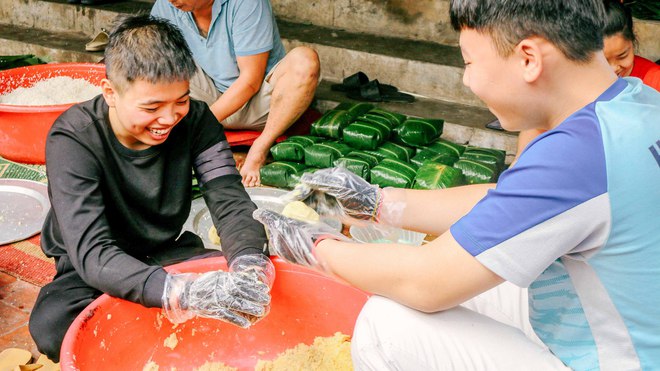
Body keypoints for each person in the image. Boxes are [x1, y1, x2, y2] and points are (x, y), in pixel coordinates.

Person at [253, 0, 660, 369]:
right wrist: (376, 202)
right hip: (622, 329)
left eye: (468, 62)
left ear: (529, 58)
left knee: (388, 324)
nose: (467, 82)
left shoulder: (577, 156)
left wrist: (313, 246)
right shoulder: (632, 104)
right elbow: (506, 202)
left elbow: (426, 280)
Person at [28, 15, 275, 363]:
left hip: (166, 251)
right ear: (111, 93)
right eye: (151, 107)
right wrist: (176, 292)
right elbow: (92, 252)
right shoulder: (74, 138)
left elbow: (230, 202)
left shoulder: (198, 122)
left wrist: (250, 263)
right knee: (54, 326)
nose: (169, 118)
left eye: (181, 100)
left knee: (251, 288)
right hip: (96, 266)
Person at [150, 0, 321, 188]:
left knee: (305, 60)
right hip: (208, 97)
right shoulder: (167, 5)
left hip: (262, 108)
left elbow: (250, 82)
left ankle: (259, 148)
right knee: (154, 53)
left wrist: (200, 125)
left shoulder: (247, 3)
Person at [515, 0, 660, 160]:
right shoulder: (571, 79)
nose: (614, 68)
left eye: (622, 56)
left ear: (633, 42)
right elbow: (537, 128)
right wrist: (518, 163)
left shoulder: (654, 79)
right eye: (604, 60)